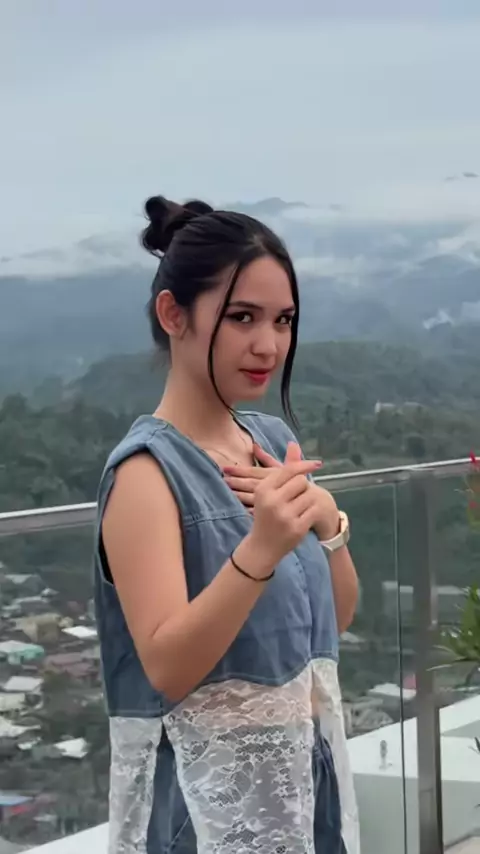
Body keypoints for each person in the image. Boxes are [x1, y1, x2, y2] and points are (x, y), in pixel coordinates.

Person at [94, 196, 360, 854]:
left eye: (283, 320)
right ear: (173, 315)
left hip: (304, 780)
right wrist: (262, 549)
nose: (269, 344)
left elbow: (332, 623)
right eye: (242, 317)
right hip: (208, 807)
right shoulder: (147, 474)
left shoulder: (268, 442)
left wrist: (328, 523)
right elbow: (168, 666)